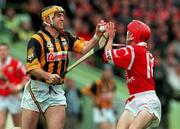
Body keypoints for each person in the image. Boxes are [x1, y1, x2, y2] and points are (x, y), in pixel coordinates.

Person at [20, 5, 106, 129]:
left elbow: (84, 48)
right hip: (36, 90)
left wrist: (96, 36)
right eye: (58, 16)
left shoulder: (66, 36)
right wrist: (48, 76)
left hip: (56, 91)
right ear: (48, 20)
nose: (63, 19)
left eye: (63, 16)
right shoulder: (36, 40)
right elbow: (32, 67)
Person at [103, 20, 161, 129]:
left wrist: (110, 38)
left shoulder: (134, 51)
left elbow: (107, 56)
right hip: (134, 100)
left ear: (132, 35)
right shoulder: (141, 51)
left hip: (147, 100)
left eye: (128, 32)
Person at [0, 43, 27, 129]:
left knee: (18, 126)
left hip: (15, 97)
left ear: (8, 51)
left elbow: (25, 76)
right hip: (2, 97)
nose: (2, 52)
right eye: (0, 50)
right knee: (1, 124)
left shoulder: (16, 63)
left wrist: (18, 87)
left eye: (4, 50)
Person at [81, 64, 116, 129]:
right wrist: (94, 97)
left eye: (109, 71)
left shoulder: (112, 83)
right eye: (106, 71)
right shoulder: (97, 83)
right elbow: (84, 90)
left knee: (113, 127)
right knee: (104, 127)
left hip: (109, 109)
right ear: (103, 72)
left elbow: (112, 95)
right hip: (100, 109)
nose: (108, 73)